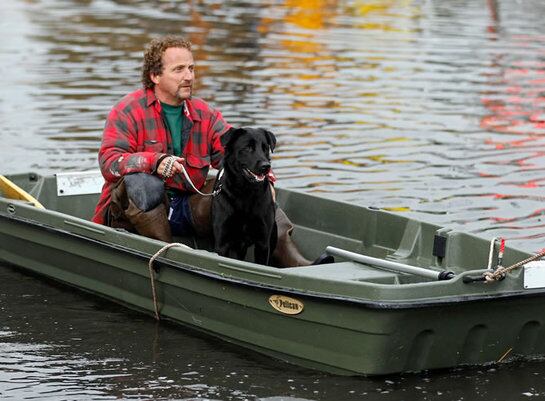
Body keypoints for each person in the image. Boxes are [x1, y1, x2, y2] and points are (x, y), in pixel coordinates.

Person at [92, 35, 330, 267]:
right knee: (144, 184)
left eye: (191, 68)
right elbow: (109, 162)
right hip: (138, 214)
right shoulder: (127, 110)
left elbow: (236, 157)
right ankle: (168, 262)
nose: (189, 77)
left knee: (252, 190)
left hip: (187, 206)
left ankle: (301, 266)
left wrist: (265, 181)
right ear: (155, 76)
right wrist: (154, 161)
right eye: (179, 70)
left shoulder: (204, 114)